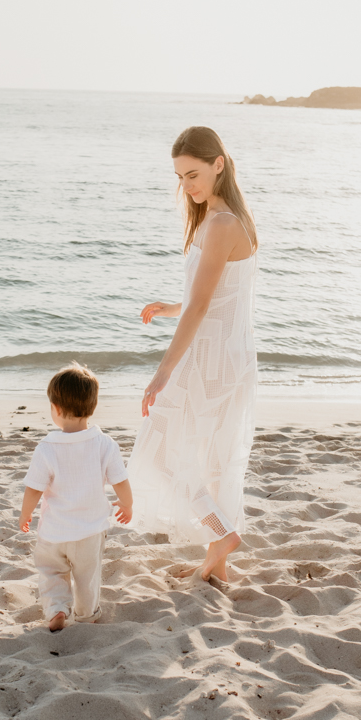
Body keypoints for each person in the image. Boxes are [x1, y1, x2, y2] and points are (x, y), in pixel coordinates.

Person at [127, 126, 258, 584]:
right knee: (212, 459)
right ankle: (216, 563)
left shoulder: (221, 224)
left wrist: (162, 372)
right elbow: (212, 297)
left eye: (194, 174)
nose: (188, 185)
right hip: (227, 354)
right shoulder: (224, 218)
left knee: (160, 451)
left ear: (218, 164)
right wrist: (170, 308)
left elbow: (205, 305)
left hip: (210, 358)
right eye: (181, 177)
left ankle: (220, 535)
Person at [19, 365, 132, 631]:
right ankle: (86, 615)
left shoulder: (47, 447)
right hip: (90, 532)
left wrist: (26, 514)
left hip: (53, 532)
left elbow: (34, 488)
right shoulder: (105, 444)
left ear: (56, 409)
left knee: (51, 573)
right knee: (87, 577)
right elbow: (120, 480)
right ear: (92, 406)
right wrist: (127, 504)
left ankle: (57, 608)